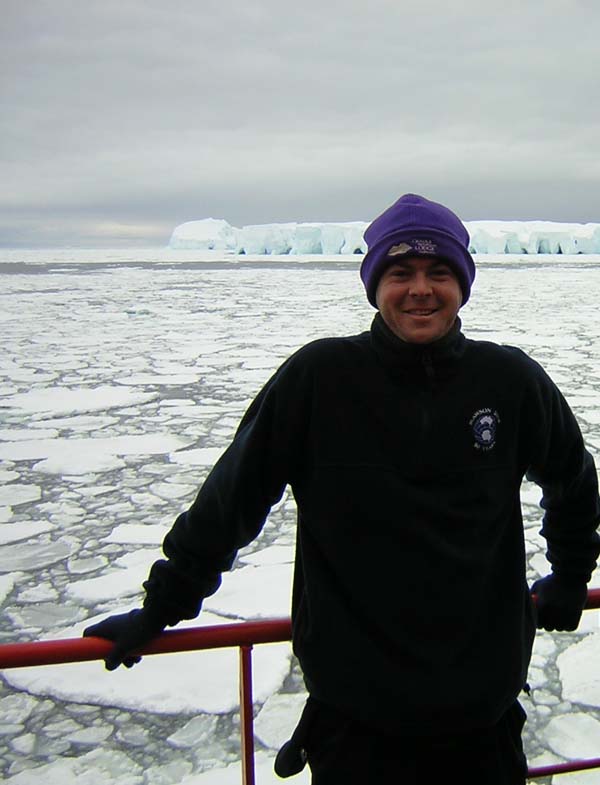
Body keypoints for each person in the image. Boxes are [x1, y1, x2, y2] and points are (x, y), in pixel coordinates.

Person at [84, 193, 600, 785]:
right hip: (356, 720)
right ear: (375, 285)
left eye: (439, 272)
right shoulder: (319, 378)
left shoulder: (509, 380)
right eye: (400, 273)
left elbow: (573, 480)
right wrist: (162, 607)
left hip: (482, 714)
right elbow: (231, 502)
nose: (420, 289)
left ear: (462, 284)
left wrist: (570, 576)